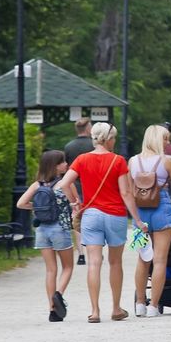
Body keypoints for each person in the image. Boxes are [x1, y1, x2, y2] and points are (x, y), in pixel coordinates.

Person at [55, 122, 144, 323]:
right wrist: (137, 219)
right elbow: (126, 193)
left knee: (93, 263)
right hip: (115, 215)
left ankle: (95, 311)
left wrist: (74, 203)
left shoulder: (81, 159)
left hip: (91, 215)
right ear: (109, 138)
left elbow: (63, 184)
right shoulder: (118, 161)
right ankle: (115, 308)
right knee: (115, 262)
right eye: (113, 138)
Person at [16, 149, 81, 322]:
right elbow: (76, 206)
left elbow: (20, 203)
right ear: (55, 165)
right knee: (67, 267)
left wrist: (37, 208)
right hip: (60, 229)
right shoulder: (66, 184)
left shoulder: (37, 185)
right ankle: (58, 295)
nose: (66, 164)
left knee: (51, 270)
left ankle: (52, 310)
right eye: (63, 162)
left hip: (42, 231)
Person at [128, 125, 171, 317]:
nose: (167, 142)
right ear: (157, 140)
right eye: (165, 138)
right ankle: (154, 306)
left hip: (140, 214)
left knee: (143, 259)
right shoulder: (167, 162)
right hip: (162, 210)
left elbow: (129, 190)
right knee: (160, 260)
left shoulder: (132, 161)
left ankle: (140, 303)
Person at [64, 118, 96, 265]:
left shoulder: (69, 146)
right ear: (88, 128)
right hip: (92, 186)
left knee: (77, 219)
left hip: (75, 185)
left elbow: (67, 169)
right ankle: (94, 250)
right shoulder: (93, 145)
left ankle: (81, 254)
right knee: (93, 219)